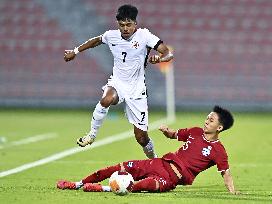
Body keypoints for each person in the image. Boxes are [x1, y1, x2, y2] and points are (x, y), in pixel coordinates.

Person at [64, 4, 174, 159]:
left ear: (135, 24)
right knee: (106, 99)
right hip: (118, 83)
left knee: (141, 138)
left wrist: (160, 58)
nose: (125, 28)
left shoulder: (145, 36)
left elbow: (168, 53)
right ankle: (92, 135)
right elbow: (96, 40)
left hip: (137, 90)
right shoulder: (111, 36)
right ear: (118, 24)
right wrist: (75, 51)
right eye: (122, 25)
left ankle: (154, 159)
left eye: (129, 25)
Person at [57, 106, 239, 194]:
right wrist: (168, 132)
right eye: (207, 117)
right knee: (118, 168)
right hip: (159, 163)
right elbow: (175, 134)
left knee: (143, 185)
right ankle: (78, 184)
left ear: (220, 128)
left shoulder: (218, 151)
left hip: (172, 178)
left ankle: (102, 188)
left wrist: (232, 191)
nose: (207, 121)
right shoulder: (195, 132)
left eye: (211, 120)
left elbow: (226, 173)